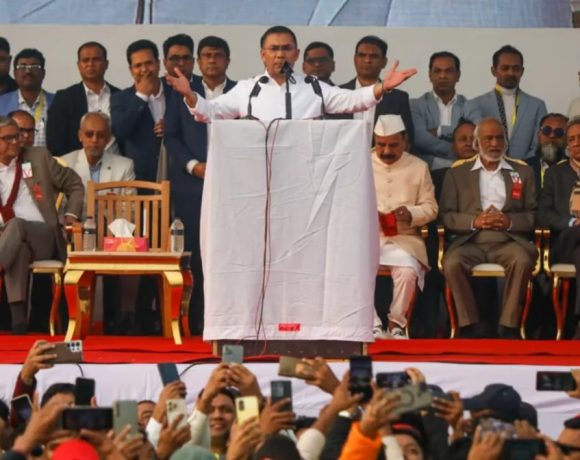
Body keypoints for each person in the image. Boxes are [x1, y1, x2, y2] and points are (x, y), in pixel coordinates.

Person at [166, 25, 417, 122]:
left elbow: (351, 99)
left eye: (286, 49)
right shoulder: (247, 89)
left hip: (304, 176)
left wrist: (383, 87)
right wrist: (190, 95)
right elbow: (210, 112)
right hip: (260, 174)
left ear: (296, 54)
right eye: (273, 49)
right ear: (263, 54)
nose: (280, 55)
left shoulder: (313, 86)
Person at [165, 35, 237, 335]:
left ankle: (228, 317)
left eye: (218, 55)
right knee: (193, 253)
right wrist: (194, 166)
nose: (212, 60)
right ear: (198, 61)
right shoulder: (183, 93)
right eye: (206, 55)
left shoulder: (240, 92)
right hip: (191, 185)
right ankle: (195, 319)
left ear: (227, 60)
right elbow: (171, 136)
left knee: (229, 253)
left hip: (232, 187)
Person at [440, 117, 536, 338]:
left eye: (499, 138)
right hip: (471, 241)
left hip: (508, 241)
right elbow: (446, 215)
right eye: (488, 138)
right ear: (477, 143)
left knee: (522, 260)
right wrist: (475, 221)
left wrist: (508, 221)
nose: (494, 144)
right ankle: (470, 325)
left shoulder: (523, 172)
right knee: (452, 263)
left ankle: (509, 326)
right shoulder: (457, 174)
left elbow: (532, 215)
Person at [0, 117, 83, 334]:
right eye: (7, 138)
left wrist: (71, 215)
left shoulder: (37, 157)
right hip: (7, 241)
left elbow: (74, 184)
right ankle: (18, 323)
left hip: (43, 237)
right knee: (19, 249)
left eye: (16, 136)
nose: (16, 142)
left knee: (16, 225)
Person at [371, 115, 438, 339]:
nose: (386, 151)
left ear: (405, 142)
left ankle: (396, 324)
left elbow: (431, 208)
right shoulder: (361, 163)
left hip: (405, 239)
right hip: (368, 238)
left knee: (408, 272)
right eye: (381, 144)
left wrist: (410, 213)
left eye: (393, 145)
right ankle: (371, 323)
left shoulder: (419, 167)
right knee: (355, 269)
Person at [466, 45, 547, 160]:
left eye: (516, 69)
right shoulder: (474, 105)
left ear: (522, 71)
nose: (511, 73)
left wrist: (522, 166)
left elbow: (538, 144)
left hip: (526, 167)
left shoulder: (537, 106)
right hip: (487, 166)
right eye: (505, 68)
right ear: (493, 71)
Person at [538, 119, 580, 339]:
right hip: (564, 242)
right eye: (571, 139)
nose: (576, 143)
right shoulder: (555, 173)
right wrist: (571, 222)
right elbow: (544, 214)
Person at [335, 35, 415, 146]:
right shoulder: (338, 93)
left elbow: (407, 140)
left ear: (384, 62)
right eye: (362, 55)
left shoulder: (398, 98)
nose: (367, 60)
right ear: (355, 59)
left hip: (384, 156)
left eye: (374, 56)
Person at [46, 41, 120, 156]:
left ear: (106, 64)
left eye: (96, 59)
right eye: (85, 60)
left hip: (117, 163)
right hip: (75, 164)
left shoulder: (120, 96)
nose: (90, 64)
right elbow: (55, 140)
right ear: (78, 65)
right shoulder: (64, 99)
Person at [411, 51, 480, 170]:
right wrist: (457, 148)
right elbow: (420, 139)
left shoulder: (469, 105)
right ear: (430, 75)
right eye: (437, 71)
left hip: (464, 172)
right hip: (427, 171)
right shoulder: (416, 105)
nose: (442, 76)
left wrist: (440, 130)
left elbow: (479, 133)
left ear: (458, 75)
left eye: (448, 71)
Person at [111, 39, 169, 183]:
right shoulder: (120, 98)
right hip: (140, 178)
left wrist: (171, 127)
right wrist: (141, 96)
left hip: (176, 174)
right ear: (131, 70)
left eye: (149, 63)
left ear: (158, 64)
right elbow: (120, 132)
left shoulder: (176, 91)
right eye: (138, 65)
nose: (144, 69)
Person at [60, 111, 135, 216]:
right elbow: (59, 207)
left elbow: (130, 211)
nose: (94, 140)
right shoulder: (64, 164)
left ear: (108, 138)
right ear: (80, 135)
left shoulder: (125, 166)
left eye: (100, 135)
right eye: (89, 134)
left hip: (112, 226)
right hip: (75, 225)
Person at [0, 49, 54, 147]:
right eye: (22, 66)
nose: (28, 71)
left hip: (49, 157)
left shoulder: (58, 102)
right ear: (15, 73)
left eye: (34, 67)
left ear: (43, 73)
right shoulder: (1, 103)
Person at [526, 112, 569, 192]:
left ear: (567, 139)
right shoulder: (524, 167)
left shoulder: (575, 168)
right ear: (539, 136)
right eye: (547, 130)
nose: (551, 136)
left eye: (558, 132)